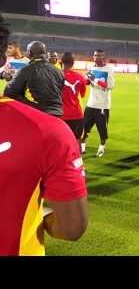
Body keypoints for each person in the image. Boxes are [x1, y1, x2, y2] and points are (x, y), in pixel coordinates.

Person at [0, 14, 88, 256]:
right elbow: (72, 228)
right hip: (52, 125)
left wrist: (27, 107)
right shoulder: (58, 72)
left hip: (36, 123)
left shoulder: (28, 71)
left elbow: (11, 91)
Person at [4, 41, 64, 117]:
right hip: (58, 115)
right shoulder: (59, 71)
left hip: (38, 115)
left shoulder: (26, 70)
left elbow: (9, 93)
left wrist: (11, 79)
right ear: (45, 53)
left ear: (29, 53)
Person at [81, 49, 115, 157]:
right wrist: (85, 79)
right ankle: (82, 147)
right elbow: (87, 82)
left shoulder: (108, 69)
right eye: (95, 55)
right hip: (91, 104)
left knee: (102, 130)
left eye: (99, 56)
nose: (97, 57)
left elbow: (110, 86)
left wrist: (95, 80)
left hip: (102, 106)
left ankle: (101, 148)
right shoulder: (91, 68)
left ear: (104, 57)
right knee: (84, 128)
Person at [61, 52, 87, 148]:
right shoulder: (80, 77)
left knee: (61, 143)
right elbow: (83, 94)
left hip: (60, 115)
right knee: (77, 141)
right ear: (73, 63)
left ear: (61, 61)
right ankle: (78, 162)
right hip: (77, 115)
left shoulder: (55, 75)